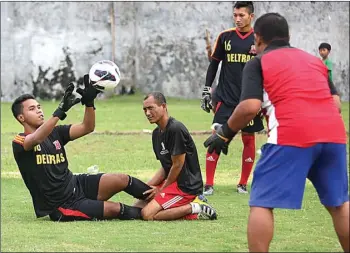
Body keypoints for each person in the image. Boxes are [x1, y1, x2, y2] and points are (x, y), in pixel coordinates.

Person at [203, 12, 348, 252]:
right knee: (339, 204)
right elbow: (336, 103)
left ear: (257, 39)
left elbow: (250, 106)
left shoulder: (258, 62)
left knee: (261, 203)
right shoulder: (314, 61)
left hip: (291, 136)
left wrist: (224, 133)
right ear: (288, 36)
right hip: (334, 136)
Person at [12, 75, 153, 222]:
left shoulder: (55, 132)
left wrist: (89, 103)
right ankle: (153, 213)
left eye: (39, 107)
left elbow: (87, 127)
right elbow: (36, 139)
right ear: (21, 118)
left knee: (122, 179)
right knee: (116, 208)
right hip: (62, 205)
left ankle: (161, 200)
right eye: (32, 109)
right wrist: (59, 112)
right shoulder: (19, 141)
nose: (39, 111)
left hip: (76, 184)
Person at [200, 1, 264, 195]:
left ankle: (242, 184)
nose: (237, 19)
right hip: (226, 99)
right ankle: (209, 184)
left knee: (248, 140)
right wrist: (206, 90)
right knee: (216, 137)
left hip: (249, 100)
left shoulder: (259, 39)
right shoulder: (225, 37)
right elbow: (214, 64)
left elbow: (267, 69)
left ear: (251, 16)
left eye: (241, 15)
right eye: (235, 15)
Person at [135, 92, 217, 221]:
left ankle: (196, 207)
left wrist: (161, 189)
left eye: (151, 108)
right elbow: (165, 167)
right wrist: (144, 187)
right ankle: (188, 207)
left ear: (163, 106)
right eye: (145, 109)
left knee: (147, 214)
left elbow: (178, 164)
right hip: (173, 182)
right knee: (137, 207)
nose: (147, 113)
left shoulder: (175, 129)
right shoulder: (156, 134)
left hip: (185, 187)